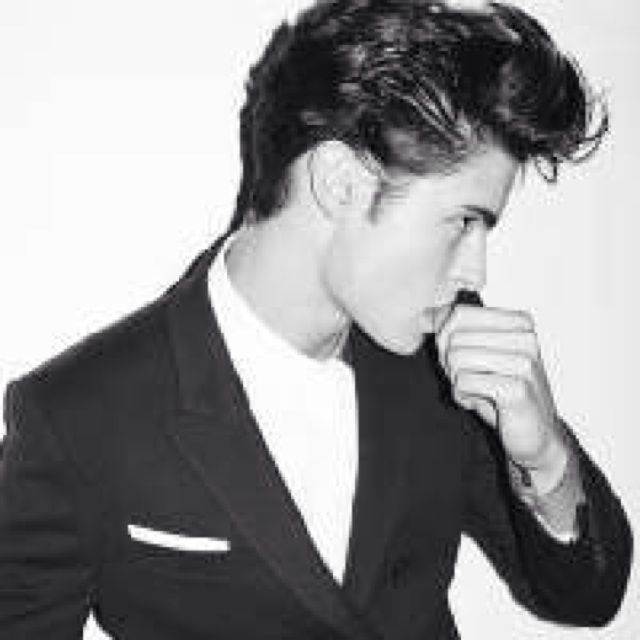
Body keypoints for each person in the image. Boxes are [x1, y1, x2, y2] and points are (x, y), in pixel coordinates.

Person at [0, 1, 632, 638]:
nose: (475, 273)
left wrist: (544, 457)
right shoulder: (77, 417)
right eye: (463, 221)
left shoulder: (449, 357)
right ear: (340, 180)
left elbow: (589, 597)